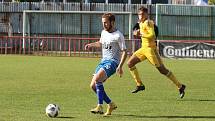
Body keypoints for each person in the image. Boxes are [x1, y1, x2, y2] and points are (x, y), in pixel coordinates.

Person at [127, 6, 186, 98]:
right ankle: (140, 85)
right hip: (143, 49)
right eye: (139, 14)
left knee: (162, 70)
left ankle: (180, 86)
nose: (140, 16)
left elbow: (152, 35)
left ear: (146, 14)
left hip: (151, 50)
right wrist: (137, 32)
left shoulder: (148, 22)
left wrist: (140, 34)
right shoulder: (141, 23)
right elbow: (138, 30)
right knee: (130, 63)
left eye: (142, 14)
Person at [85, 13, 127, 116]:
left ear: (112, 22)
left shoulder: (118, 35)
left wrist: (120, 66)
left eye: (106, 23)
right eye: (103, 23)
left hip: (113, 62)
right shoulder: (103, 32)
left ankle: (99, 106)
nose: (104, 25)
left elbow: (125, 51)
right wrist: (91, 45)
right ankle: (110, 104)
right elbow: (101, 43)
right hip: (103, 61)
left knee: (98, 79)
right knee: (93, 86)